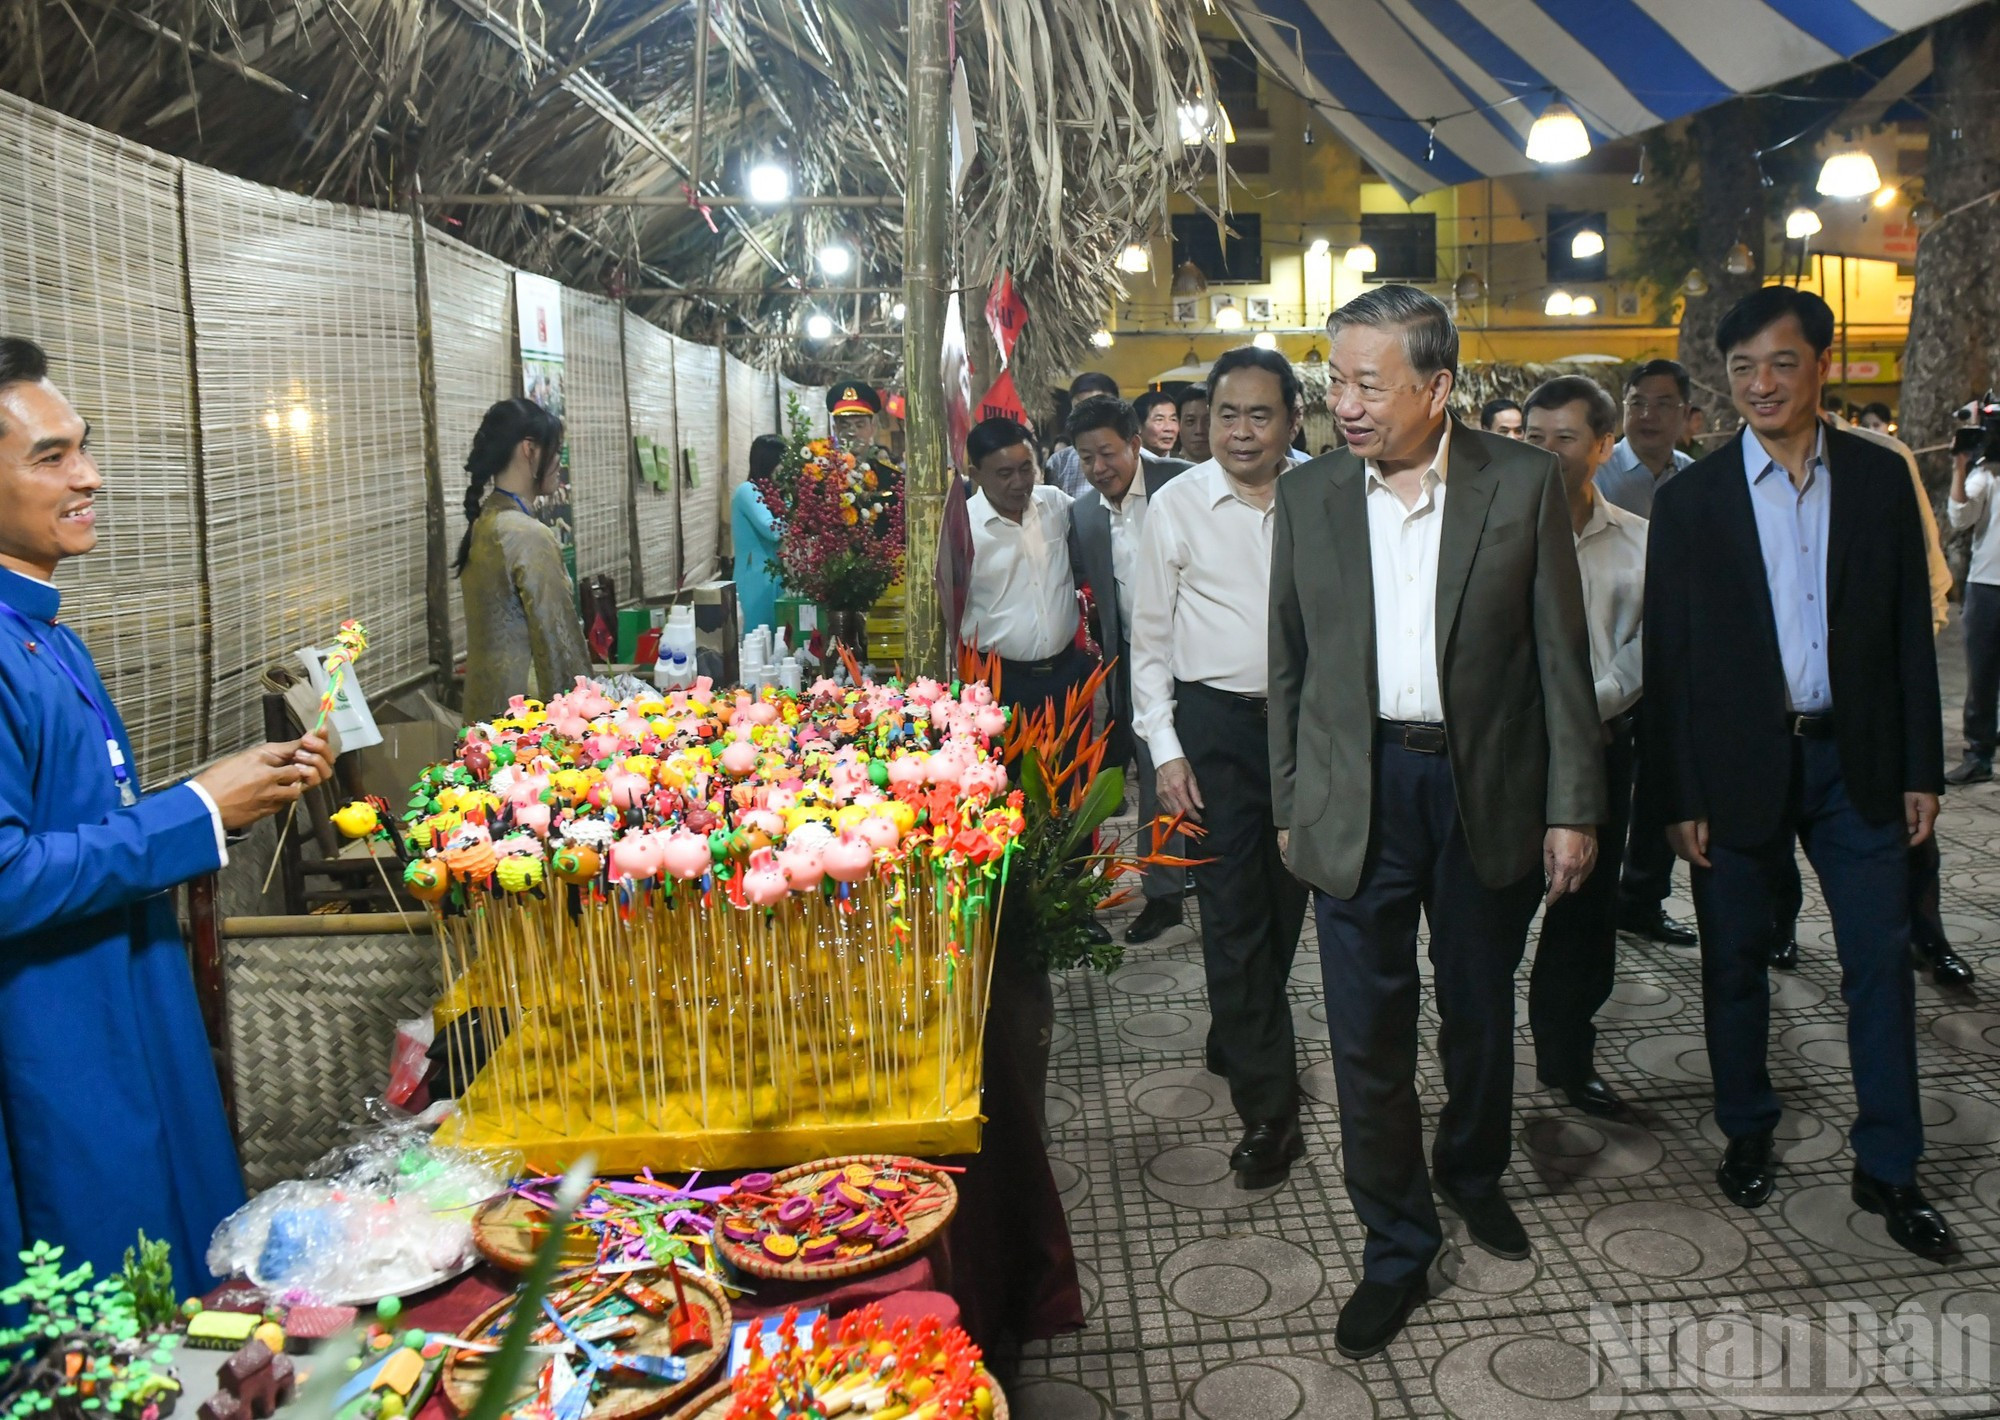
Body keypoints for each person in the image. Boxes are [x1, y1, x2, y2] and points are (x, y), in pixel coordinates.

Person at [1269, 286, 1603, 1358]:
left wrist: (1572, 806)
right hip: (1353, 790)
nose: (1344, 404)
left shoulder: (1521, 482)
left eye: (1369, 384)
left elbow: (1561, 658)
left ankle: (1471, 1169)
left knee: (1476, 1008)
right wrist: (1289, 802)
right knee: (1365, 1032)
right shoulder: (1309, 492)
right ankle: (1395, 1245)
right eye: (1335, 381)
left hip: (1480, 787)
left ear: (1436, 386)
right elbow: (1288, 663)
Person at [0, 337, 335, 1299]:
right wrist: (194, 812)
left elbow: (83, 821)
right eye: (51, 457)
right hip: (58, 1035)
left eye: (82, 447)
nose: (89, 477)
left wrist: (228, 800)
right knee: (104, 1279)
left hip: (127, 998)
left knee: (179, 1257)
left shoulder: (44, 636)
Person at [1642, 286, 1950, 1260]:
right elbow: (1668, 661)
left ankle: (1889, 1163)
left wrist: (1921, 767)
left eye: (1780, 363)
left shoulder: (1877, 479)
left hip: (1856, 762)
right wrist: (1677, 795)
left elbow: (1906, 632)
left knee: (1878, 965)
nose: (1761, 384)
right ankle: (1746, 1126)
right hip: (1734, 767)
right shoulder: (1691, 500)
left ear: (1820, 365)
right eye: (1742, 368)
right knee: (1732, 961)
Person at [1131, 347, 1310, 1193]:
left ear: (1293, 419)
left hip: (1309, 730)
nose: (1241, 431)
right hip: (1215, 732)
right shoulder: (1176, 504)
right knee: (1234, 910)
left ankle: (1238, 1025)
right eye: (1228, 415)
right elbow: (1148, 639)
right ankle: (1269, 1111)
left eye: (1260, 415)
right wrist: (1166, 749)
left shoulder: (1326, 494)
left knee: (1289, 900)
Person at [1769, 402, 1968, 988]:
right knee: (1769, 840)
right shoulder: (1738, 472)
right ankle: (1781, 927)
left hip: (1868, 713)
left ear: (1819, 369)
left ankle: (1927, 936)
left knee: (1904, 845)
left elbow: (1925, 573)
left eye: (1786, 364)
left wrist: (1890, 660)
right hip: (1778, 721)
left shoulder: (1884, 460)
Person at [1522, 376, 1649, 1119]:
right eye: (1533, 438)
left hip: (1600, 744)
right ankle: (1477, 1055)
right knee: (1495, 905)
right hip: (1510, 751)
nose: (1547, 453)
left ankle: (1567, 1055)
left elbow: (1645, 650)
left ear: (1604, 445)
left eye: (1565, 439)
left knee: (1584, 907)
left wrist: (1577, 710)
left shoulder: (1638, 540)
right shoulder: (1494, 532)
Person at [1064, 396, 1188, 945]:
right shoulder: (1085, 514)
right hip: (1138, 663)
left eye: (1108, 453)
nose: (1098, 468)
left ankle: (1223, 877)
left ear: (1136, 444)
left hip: (1203, 659)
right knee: (1155, 777)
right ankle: (1163, 894)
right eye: (1086, 457)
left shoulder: (1182, 485)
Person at [1595, 360, 1699, 948]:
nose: (1648, 415)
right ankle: (1592, 897)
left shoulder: (1695, 478)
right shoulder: (1601, 472)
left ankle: (1642, 898)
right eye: (1637, 402)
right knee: (1607, 789)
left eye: (1663, 404)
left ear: (1686, 414)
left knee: (1662, 781)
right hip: (1613, 653)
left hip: (1673, 654)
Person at [456, 398, 593, 723]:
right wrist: (588, 711)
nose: (558, 463)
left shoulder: (483, 523)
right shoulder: (528, 534)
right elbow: (559, 642)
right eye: (556, 451)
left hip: (484, 715)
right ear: (529, 449)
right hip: (526, 720)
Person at [732, 434, 785, 635]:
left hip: (775, 577)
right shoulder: (747, 491)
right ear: (769, 462)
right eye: (782, 461)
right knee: (756, 639)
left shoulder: (776, 494)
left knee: (777, 639)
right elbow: (772, 529)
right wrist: (801, 516)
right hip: (754, 579)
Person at [1043, 373, 1121, 497]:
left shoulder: (1142, 458)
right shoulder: (1059, 462)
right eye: (1079, 411)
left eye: (1097, 410)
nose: (1088, 419)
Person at [826, 378, 882, 448]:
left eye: (859, 426)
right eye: (845, 426)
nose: (852, 433)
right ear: (835, 429)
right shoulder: (822, 454)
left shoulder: (885, 455)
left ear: (872, 429)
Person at [1134, 390, 1179, 458]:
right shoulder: (1127, 462)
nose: (1169, 428)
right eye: (1159, 420)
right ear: (1138, 425)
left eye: (1173, 419)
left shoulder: (1184, 462)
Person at [1174, 385, 1211, 464]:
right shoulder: (1166, 470)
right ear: (1178, 424)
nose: (1199, 430)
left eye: (1208, 421)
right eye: (1190, 421)